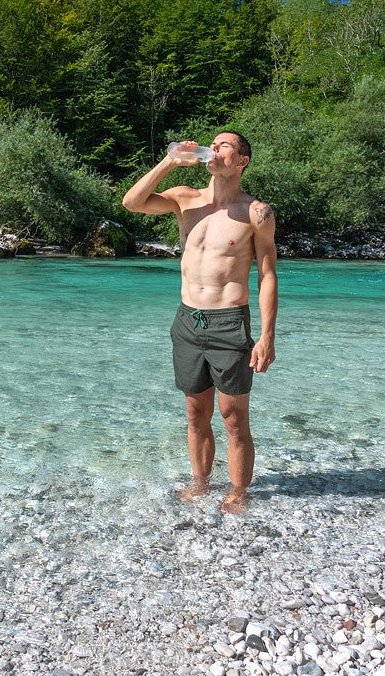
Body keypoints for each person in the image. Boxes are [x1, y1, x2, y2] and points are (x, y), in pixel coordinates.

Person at [122, 131, 277, 514]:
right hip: (188, 320)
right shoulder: (185, 198)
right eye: (215, 142)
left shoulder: (256, 212)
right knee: (195, 412)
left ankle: (239, 490)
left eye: (225, 145)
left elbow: (268, 275)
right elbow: (131, 202)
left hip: (229, 322)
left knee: (234, 417)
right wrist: (169, 161)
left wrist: (267, 336)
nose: (215, 146)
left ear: (242, 161)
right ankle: (202, 482)